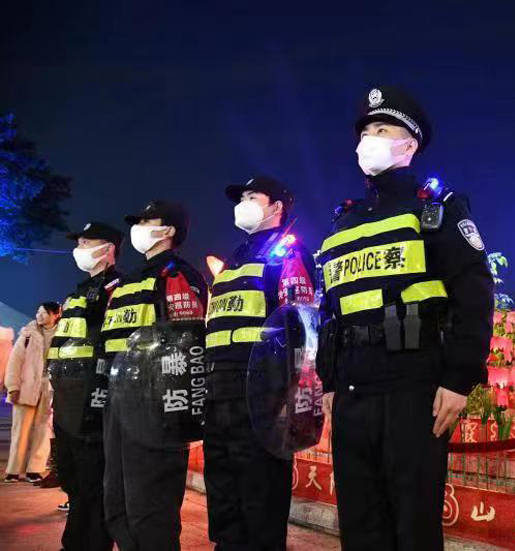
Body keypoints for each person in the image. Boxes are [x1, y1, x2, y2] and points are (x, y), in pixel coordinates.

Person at [316, 86, 495, 550]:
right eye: (365, 132)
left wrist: (459, 379)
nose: (368, 140)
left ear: (409, 144)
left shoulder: (435, 209)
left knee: (413, 528)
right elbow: (331, 310)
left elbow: (474, 294)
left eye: (382, 130)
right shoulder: (343, 222)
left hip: (414, 387)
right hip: (352, 390)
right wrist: (329, 380)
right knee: (360, 527)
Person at [204, 176, 316, 551]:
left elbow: (301, 326)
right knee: (224, 498)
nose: (244, 203)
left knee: (259, 499)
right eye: (242, 197)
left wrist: (289, 394)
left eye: (253, 196)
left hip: (261, 397)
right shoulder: (234, 259)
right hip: (219, 394)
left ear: (276, 207)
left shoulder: (286, 253)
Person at [100, 201, 207, 551]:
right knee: (117, 502)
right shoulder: (126, 282)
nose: (139, 227)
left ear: (169, 230)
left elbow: (187, 344)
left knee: (151, 507)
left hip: (155, 405)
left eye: (148, 221)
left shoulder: (177, 275)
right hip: (118, 401)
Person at [49, 221, 123, 551]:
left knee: (94, 484)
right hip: (66, 400)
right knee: (72, 479)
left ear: (108, 250)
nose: (78, 249)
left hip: (93, 401)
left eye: (86, 243)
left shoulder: (118, 289)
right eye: (78, 242)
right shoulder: (77, 293)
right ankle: (74, 542)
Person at [4, 301, 62, 483]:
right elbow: (14, 362)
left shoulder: (62, 335)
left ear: (56, 315)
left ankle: (34, 470)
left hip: (49, 388)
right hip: (26, 388)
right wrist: (13, 386)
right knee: (20, 430)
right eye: (38, 312)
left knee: (43, 430)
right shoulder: (28, 334)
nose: (39, 316)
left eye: (44, 313)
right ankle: (13, 470)